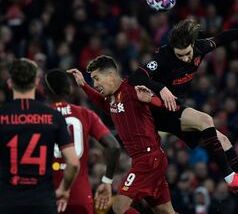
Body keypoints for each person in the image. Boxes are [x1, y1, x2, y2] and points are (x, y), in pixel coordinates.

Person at [129, 10, 238, 205]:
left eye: (188, 53)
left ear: (193, 45)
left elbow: (222, 38)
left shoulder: (201, 47)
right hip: (159, 110)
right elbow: (136, 77)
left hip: (175, 110)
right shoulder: (164, 55)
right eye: (180, 55)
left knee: (222, 140)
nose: (185, 58)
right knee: (206, 120)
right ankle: (230, 177)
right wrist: (160, 88)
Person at [68, 56, 177, 214]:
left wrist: (151, 100)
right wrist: (83, 85)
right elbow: (105, 105)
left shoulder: (132, 89)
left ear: (111, 76)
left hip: (148, 159)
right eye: (93, 80)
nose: (95, 84)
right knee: (164, 211)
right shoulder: (113, 97)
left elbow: (165, 106)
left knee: (120, 207)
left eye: (97, 79)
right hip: (146, 159)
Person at [0, 58, 79, 214]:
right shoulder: (53, 117)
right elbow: (73, 163)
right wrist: (64, 189)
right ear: (36, 83)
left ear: (10, 83)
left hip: (7, 202)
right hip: (43, 202)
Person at [43, 69, 121, 214]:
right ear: (70, 89)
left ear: (44, 91)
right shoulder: (85, 114)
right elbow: (114, 146)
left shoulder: (39, 117)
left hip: (47, 195)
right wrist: (107, 181)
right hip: (80, 196)